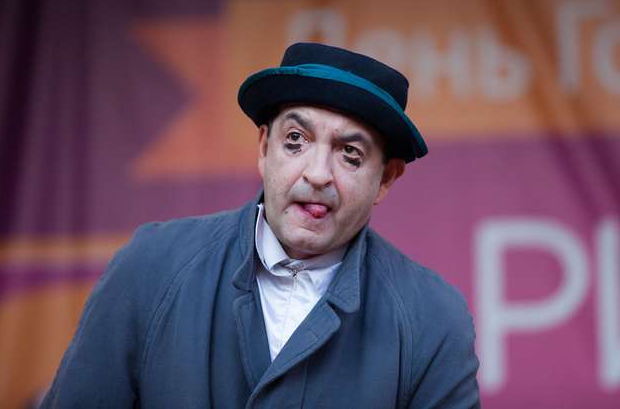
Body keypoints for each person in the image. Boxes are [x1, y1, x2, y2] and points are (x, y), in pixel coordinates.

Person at [41, 42, 480, 408]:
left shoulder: (433, 319)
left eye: (350, 154)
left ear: (385, 178)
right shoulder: (150, 268)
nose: (317, 174)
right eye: (296, 140)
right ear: (264, 147)